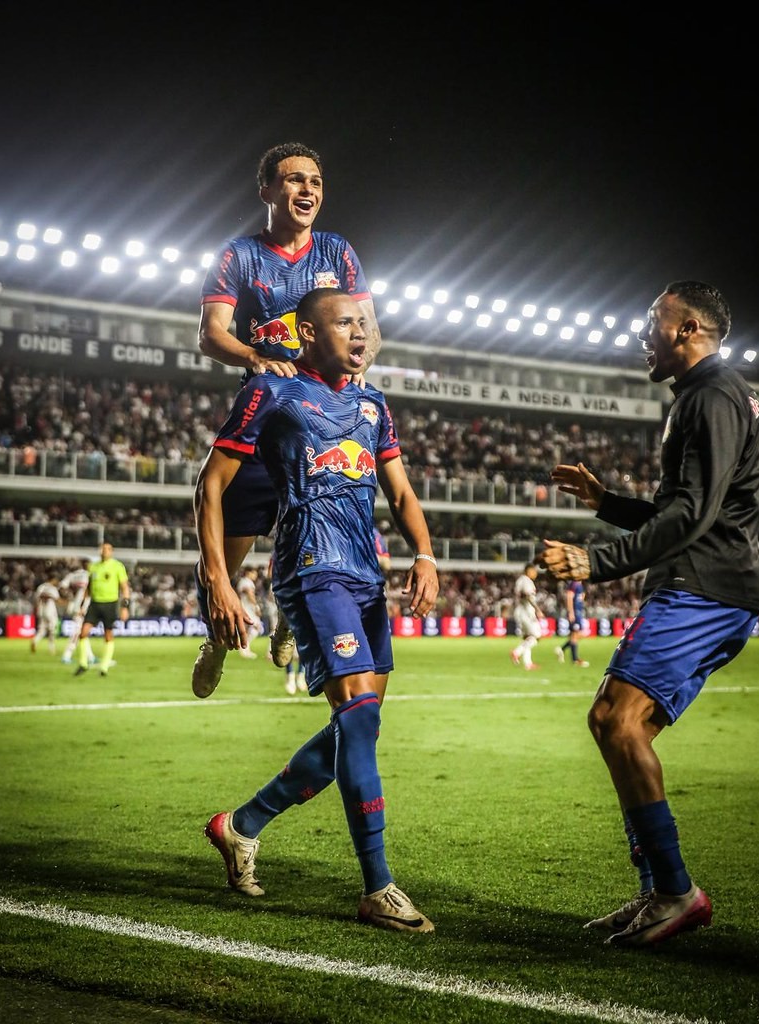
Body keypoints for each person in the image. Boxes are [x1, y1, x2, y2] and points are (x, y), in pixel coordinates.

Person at [194, 287, 437, 933]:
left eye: (362, 323)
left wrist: (425, 555)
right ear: (307, 333)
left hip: (366, 575)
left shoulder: (372, 403)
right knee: (356, 718)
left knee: (361, 725)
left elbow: (401, 491)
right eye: (344, 323)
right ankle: (377, 886)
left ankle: (241, 825)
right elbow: (212, 483)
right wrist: (218, 579)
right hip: (310, 569)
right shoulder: (271, 391)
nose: (359, 333)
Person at [540, 280, 759, 948]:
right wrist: (606, 502)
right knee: (617, 724)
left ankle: (674, 891)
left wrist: (597, 561)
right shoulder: (708, 394)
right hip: (705, 583)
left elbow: (693, 514)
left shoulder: (712, 395)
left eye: (653, 320)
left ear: (687, 328)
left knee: (616, 720)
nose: (643, 333)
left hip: (704, 587)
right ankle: (661, 890)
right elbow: (692, 509)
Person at [191, 141, 381, 700]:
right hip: (267, 414)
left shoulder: (338, 251)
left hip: (323, 421)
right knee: (226, 552)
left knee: (322, 536)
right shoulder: (239, 255)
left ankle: (289, 621)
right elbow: (210, 333)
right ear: (268, 191)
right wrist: (255, 356)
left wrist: (357, 372)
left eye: (316, 182)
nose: (308, 190)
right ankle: (216, 638)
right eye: (295, 180)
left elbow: (370, 330)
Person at [74, 541, 130, 677]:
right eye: (103, 549)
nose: (104, 551)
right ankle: (83, 664)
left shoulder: (117, 566)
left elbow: (124, 587)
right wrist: (82, 605)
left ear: (111, 551)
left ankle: (104, 667)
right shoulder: (93, 567)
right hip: (95, 604)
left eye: (107, 549)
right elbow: (88, 588)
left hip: (110, 604)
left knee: (108, 635)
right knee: (83, 632)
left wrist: (125, 607)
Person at [60, 556, 95, 665]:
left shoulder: (72, 575)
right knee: (77, 633)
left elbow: (62, 588)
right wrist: (81, 607)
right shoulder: (89, 575)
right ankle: (66, 656)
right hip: (82, 607)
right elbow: (86, 592)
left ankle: (91, 657)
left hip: (73, 605)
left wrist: (70, 598)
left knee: (82, 631)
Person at [509, 562, 543, 670]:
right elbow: (528, 596)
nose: (536, 573)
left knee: (527, 637)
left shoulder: (520, 580)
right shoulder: (527, 581)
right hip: (526, 612)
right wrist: (538, 609)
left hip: (520, 611)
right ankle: (517, 652)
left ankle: (528, 663)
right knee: (536, 636)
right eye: (534, 571)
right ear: (529, 571)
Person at [554, 579, 589, 667]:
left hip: (578, 612)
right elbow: (569, 597)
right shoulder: (573, 584)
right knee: (576, 635)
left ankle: (562, 649)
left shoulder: (580, 584)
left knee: (577, 635)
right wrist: (571, 612)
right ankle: (575, 659)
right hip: (575, 613)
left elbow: (580, 597)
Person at [235, 566, 262, 659]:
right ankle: (244, 648)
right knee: (256, 626)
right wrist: (256, 606)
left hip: (244, 608)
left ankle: (245, 648)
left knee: (247, 629)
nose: (255, 575)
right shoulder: (247, 582)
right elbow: (250, 594)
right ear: (248, 573)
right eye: (254, 573)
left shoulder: (242, 581)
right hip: (248, 609)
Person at [31, 573, 61, 654]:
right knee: (53, 629)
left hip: (41, 611)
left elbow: (36, 599)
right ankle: (52, 648)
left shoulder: (41, 587)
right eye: (56, 580)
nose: (57, 581)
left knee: (42, 629)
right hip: (50, 611)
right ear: (53, 579)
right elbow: (57, 600)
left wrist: (36, 609)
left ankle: (35, 640)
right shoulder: (52, 588)